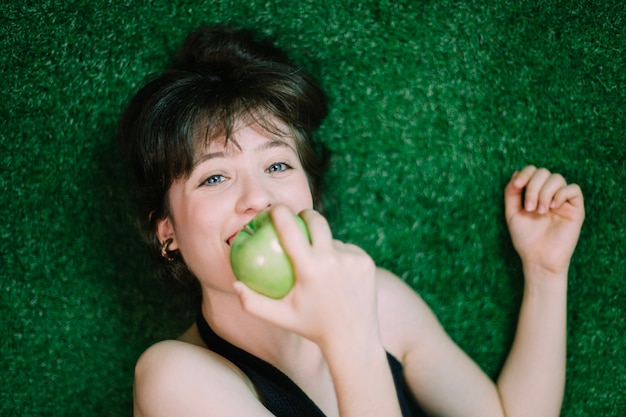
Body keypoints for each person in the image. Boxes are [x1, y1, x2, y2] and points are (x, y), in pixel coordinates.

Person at [118, 26, 585, 417]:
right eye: (215, 176)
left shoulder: (379, 299)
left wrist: (546, 271)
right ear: (168, 232)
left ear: (311, 198)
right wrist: (350, 338)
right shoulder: (174, 379)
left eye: (277, 165)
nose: (258, 197)